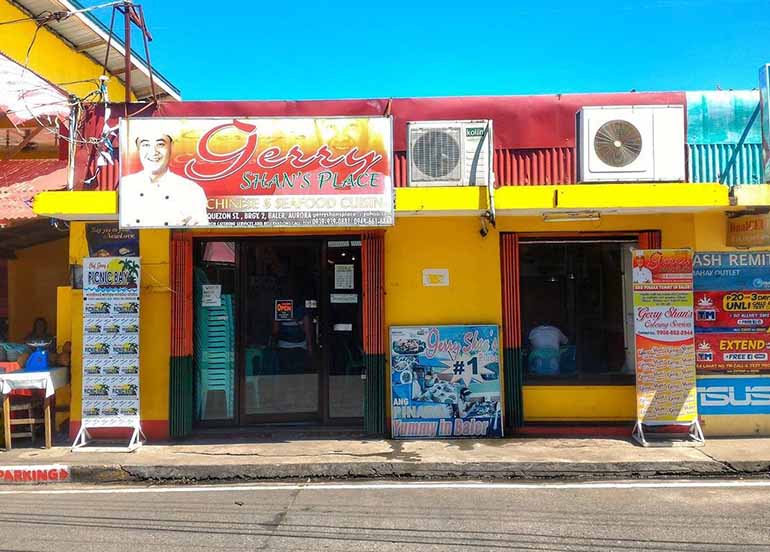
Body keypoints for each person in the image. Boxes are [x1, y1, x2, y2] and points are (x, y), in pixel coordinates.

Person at [120, 130, 209, 228]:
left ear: (171, 147)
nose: (153, 152)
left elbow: (200, 234)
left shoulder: (191, 190)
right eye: (146, 145)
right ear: (138, 149)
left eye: (160, 144)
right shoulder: (124, 187)